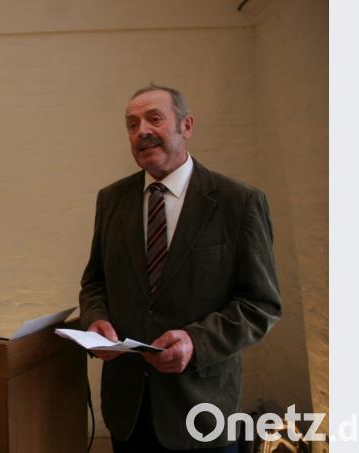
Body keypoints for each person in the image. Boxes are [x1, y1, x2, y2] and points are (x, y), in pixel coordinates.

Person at [79, 84, 282, 452]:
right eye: (132, 124)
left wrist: (195, 342)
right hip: (128, 411)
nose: (141, 131)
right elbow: (95, 283)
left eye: (154, 119)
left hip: (202, 410)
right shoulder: (111, 200)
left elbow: (261, 304)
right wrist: (96, 320)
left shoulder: (239, 202)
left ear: (186, 126)